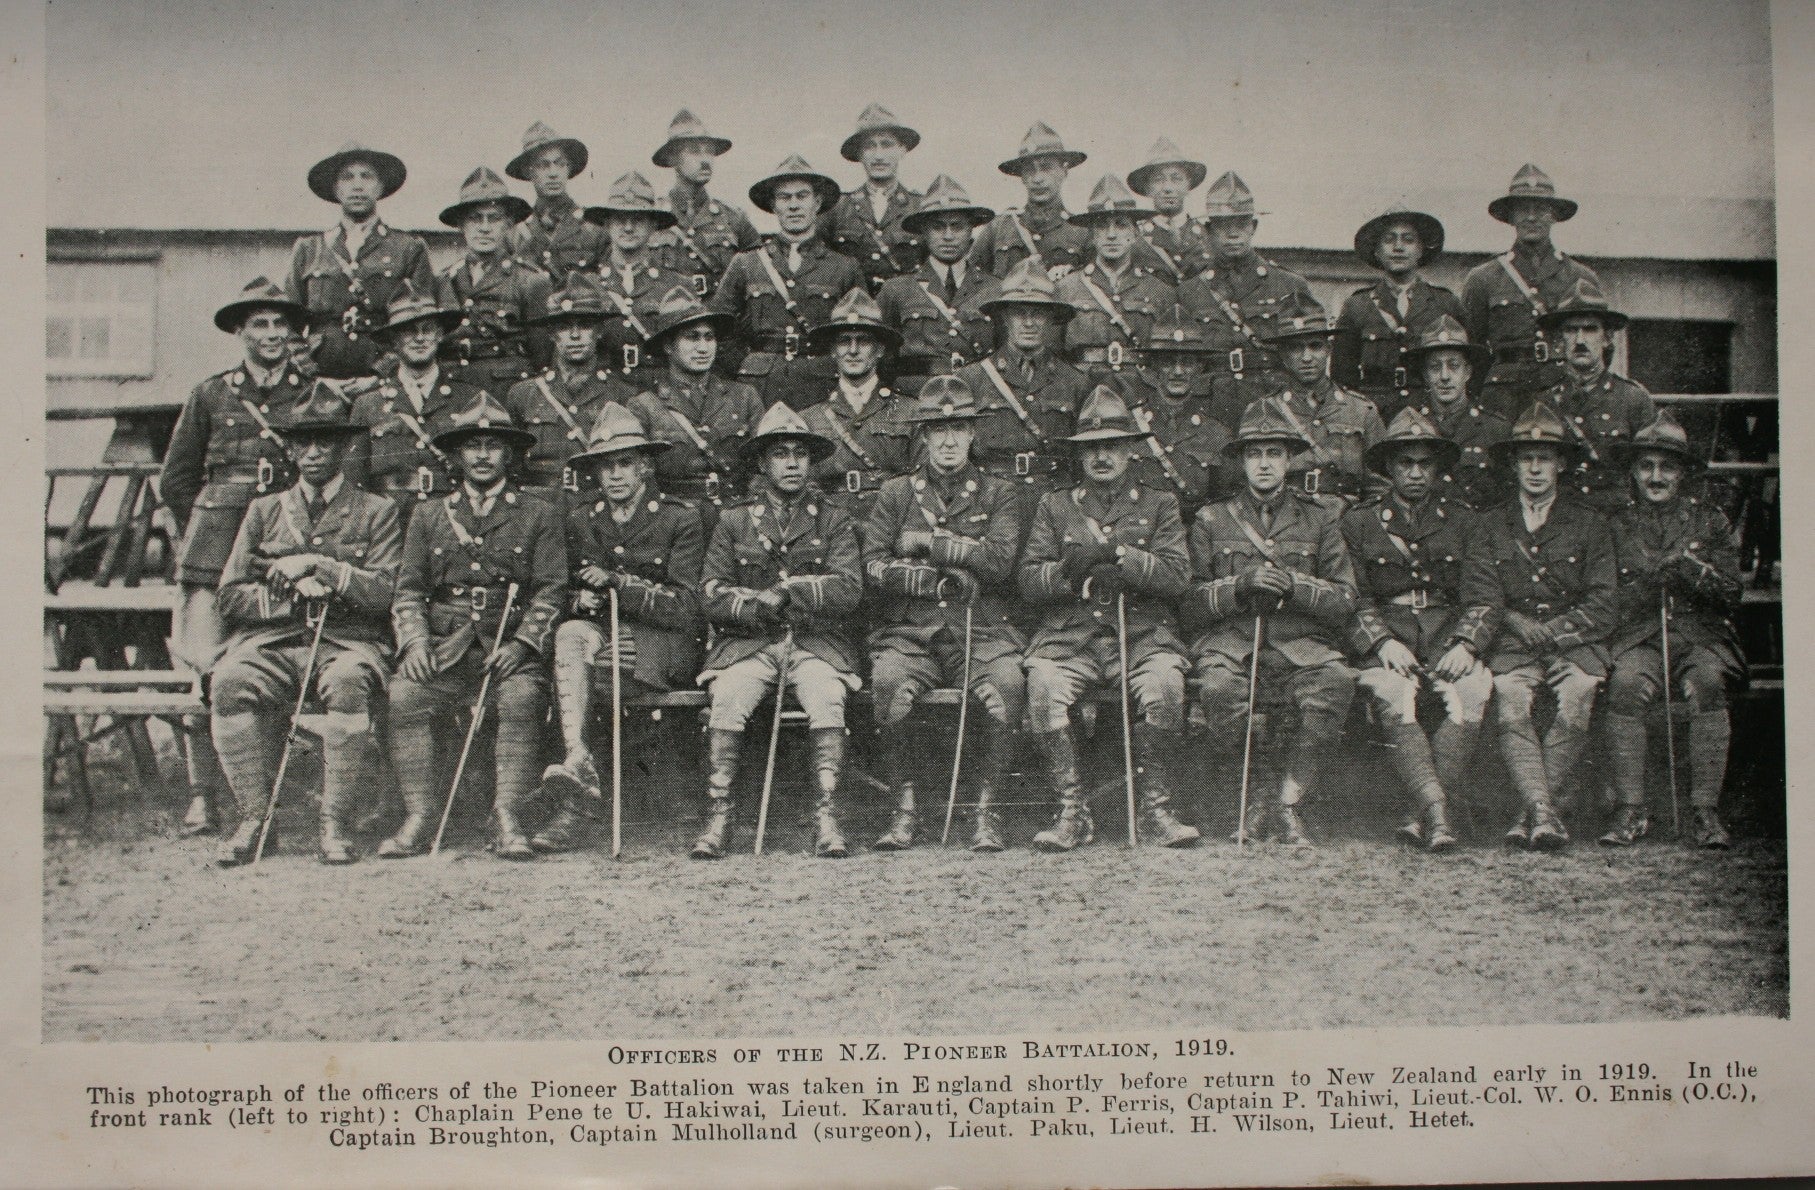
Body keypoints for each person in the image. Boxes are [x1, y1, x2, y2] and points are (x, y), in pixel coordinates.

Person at [208, 384, 401, 865]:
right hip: (273, 641)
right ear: (290, 450)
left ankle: (334, 823)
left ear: (345, 448)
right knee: (230, 681)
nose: (313, 453)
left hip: (346, 641)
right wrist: (288, 594)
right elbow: (229, 596)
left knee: (349, 682)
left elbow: (385, 593)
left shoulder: (378, 511)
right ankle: (256, 820)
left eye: (326, 442)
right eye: (303, 443)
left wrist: (324, 568)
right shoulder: (265, 510)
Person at [381, 394, 567, 860]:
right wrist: (416, 642)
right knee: (406, 696)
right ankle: (420, 815)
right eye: (472, 446)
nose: (482, 455)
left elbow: (551, 589)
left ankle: (508, 815)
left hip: (506, 644)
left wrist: (524, 645)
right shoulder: (428, 514)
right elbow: (408, 590)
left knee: (522, 698)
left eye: (493, 445)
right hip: (445, 646)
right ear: (457, 455)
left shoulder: (538, 512)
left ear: (509, 454)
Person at [159, 277, 313, 835]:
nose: (271, 334)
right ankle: (203, 795)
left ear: (293, 331)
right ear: (240, 331)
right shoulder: (210, 394)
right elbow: (176, 480)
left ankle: (265, 792)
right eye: (259, 324)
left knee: (267, 662)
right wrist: (205, 530)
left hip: (281, 544)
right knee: (202, 667)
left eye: (279, 324)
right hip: (214, 546)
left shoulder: (312, 393)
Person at [1018, 386, 1199, 852]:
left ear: (1129, 451)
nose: (1102, 457)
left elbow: (1179, 577)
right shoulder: (1054, 506)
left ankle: (1156, 809)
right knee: (1042, 685)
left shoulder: (1158, 505)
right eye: (1092, 448)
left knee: (1165, 686)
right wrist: (1066, 571)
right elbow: (1028, 580)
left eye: (1112, 446)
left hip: (1140, 634)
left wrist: (1123, 557)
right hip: (1071, 637)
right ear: (1080, 455)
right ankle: (1072, 811)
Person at [861, 377, 1027, 852]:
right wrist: (935, 578)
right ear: (924, 435)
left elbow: (1000, 560)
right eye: (938, 429)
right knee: (889, 683)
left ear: (973, 434)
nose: (949, 440)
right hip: (911, 631)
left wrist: (929, 545)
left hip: (981, 629)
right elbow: (872, 565)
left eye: (958, 428)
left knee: (1009, 684)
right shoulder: (896, 494)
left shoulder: (999, 493)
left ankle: (986, 811)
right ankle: (904, 810)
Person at [1185, 397, 1358, 847]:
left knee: (1336, 680)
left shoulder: (1320, 519)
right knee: (1220, 690)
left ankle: (1290, 799)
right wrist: (1238, 586)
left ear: (1288, 459)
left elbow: (1345, 598)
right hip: (1233, 640)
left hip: (1300, 641)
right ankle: (1258, 792)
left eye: (1274, 453)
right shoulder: (1211, 519)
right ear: (1242, 461)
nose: (1264, 464)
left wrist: (1296, 586)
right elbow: (1188, 603)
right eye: (1254, 454)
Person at [534, 404, 706, 853]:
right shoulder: (582, 519)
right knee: (569, 638)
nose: (614, 476)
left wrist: (618, 586)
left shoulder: (679, 518)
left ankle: (578, 809)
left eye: (625, 463)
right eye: (605, 466)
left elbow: (687, 607)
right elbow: (568, 589)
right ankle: (577, 760)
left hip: (664, 643)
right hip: (604, 635)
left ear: (646, 466)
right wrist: (582, 599)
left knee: (597, 675)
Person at [694, 405, 863, 859]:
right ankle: (720, 814)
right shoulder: (733, 521)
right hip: (749, 644)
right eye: (780, 454)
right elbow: (710, 592)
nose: (792, 463)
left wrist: (789, 591)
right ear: (763, 463)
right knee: (728, 695)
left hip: (814, 643)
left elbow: (849, 587)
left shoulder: (834, 519)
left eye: (801, 454)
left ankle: (827, 814)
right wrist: (757, 606)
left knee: (827, 694)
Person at [1448, 402, 1616, 851]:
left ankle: (1532, 811)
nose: (1536, 468)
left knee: (1580, 692)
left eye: (1545, 457)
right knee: (1510, 697)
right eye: (1526, 458)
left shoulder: (1591, 524)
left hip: (1575, 644)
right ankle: (1544, 810)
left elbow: (1604, 603)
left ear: (1561, 463)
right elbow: (1480, 593)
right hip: (1513, 644)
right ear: (1514, 464)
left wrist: (1556, 630)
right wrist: (1520, 623)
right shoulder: (1489, 525)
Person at [1341, 408, 1492, 851]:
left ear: (1438, 470)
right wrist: (1382, 641)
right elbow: (1352, 595)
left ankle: (1420, 812)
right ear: (1388, 468)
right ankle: (1439, 815)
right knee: (1395, 694)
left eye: (1425, 464)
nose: (1415, 473)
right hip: (1389, 634)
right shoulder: (1358, 522)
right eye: (1405, 464)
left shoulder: (1465, 521)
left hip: (1447, 631)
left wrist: (1466, 643)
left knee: (1472, 693)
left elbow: (1483, 595)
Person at [1602, 412, 1744, 849]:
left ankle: (1705, 811)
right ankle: (1631, 809)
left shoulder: (1710, 521)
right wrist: (1646, 584)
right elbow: (1605, 597)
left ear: (1682, 474)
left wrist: (1691, 571)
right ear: (1634, 472)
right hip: (1640, 635)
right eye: (1646, 466)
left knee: (1706, 682)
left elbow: (1731, 593)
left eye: (1667, 467)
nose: (1656, 476)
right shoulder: (1615, 524)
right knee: (1625, 684)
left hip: (1699, 635)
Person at [711, 155, 865, 411]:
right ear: (773, 205)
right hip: (759, 387)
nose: (794, 205)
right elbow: (719, 327)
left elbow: (859, 334)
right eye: (784, 197)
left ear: (817, 202)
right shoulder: (746, 263)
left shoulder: (844, 267)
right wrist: (746, 366)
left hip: (821, 385)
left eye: (802, 196)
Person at [955, 260, 1091, 528]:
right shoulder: (971, 379)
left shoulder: (1075, 382)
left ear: (1052, 319)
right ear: (1004, 317)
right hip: (990, 503)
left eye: (1038, 313)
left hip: (1053, 505)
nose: (1028, 323)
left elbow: (1081, 461)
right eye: (1019, 313)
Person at [1460, 164, 1603, 419]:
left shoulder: (1581, 277)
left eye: (1541, 209)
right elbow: (1473, 350)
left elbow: (1599, 347)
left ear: (1554, 216)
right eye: (1523, 209)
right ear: (1511, 217)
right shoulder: (1483, 279)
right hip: (1503, 397)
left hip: (1563, 389)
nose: (1532, 217)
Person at [1176, 172, 1315, 428]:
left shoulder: (1289, 285)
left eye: (1240, 225)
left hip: (1272, 401)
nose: (1233, 235)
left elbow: (1309, 354)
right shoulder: (1190, 291)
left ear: (1253, 227)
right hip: (1211, 407)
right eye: (1223, 226)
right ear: (1208, 231)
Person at [285, 142, 434, 379]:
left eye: (367, 177)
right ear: (335, 188)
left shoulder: (409, 248)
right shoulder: (309, 249)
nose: (357, 185)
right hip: (321, 377)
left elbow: (420, 323)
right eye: (347, 177)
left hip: (384, 377)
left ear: (380, 187)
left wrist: (380, 375)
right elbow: (288, 325)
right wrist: (311, 374)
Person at [626, 287, 767, 530]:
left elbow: (763, 467)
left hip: (738, 520)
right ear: (668, 346)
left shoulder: (744, 397)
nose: (703, 348)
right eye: (692, 337)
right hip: (674, 523)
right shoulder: (644, 406)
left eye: (709, 337)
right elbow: (641, 481)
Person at [344, 284, 481, 528]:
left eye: (427, 330)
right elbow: (355, 481)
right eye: (409, 331)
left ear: (439, 336)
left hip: (451, 521)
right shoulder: (368, 405)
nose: (419, 338)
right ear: (394, 341)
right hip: (389, 522)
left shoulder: (468, 398)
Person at [504, 271, 635, 504]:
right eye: (565, 327)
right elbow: (511, 469)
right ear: (553, 334)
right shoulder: (523, 395)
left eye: (585, 326)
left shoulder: (623, 396)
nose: (575, 335)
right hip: (539, 509)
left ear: (599, 332)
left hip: (598, 509)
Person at [1333, 204, 1465, 422]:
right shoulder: (1357, 306)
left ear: (1421, 250)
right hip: (1375, 415)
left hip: (1431, 414)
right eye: (1389, 240)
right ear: (1377, 251)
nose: (1398, 247)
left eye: (1408, 239)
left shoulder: (1445, 303)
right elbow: (1342, 376)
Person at [1535, 279, 1657, 513]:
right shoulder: (1545, 402)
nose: (1580, 340)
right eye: (1571, 330)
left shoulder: (1633, 400)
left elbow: (1649, 472)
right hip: (1562, 522)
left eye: (1590, 329)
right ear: (1561, 340)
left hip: (1616, 521)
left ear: (1607, 338)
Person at [876, 174, 1002, 396]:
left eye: (957, 226)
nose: (948, 236)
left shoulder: (995, 290)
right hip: (915, 399)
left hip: (977, 397)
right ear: (923, 232)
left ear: (971, 230)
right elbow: (880, 360)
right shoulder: (896, 291)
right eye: (937, 227)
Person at [1110, 305, 1235, 523]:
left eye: (1186, 362)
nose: (1178, 371)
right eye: (1168, 362)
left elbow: (1226, 503)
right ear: (1154, 366)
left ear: (1199, 367)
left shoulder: (1217, 434)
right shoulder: (1128, 428)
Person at [802, 287, 913, 526]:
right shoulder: (809, 420)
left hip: (891, 527)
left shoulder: (910, 412)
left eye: (863, 341)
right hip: (831, 531)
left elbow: (924, 484)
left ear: (880, 350)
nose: (853, 350)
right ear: (833, 350)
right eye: (844, 341)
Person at [1261, 296, 1386, 505]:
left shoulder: (1361, 411)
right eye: (1295, 348)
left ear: (1329, 349)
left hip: (1344, 523)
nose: (1307, 357)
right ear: (1282, 354)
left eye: (1315, 346)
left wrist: (1350, 511)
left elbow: (1381, 487)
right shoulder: (1264, 410)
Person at [434, 167, 551, 391]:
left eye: (494, 219)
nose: (484, 228)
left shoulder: (530, 282)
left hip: (507, 390)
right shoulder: (442, 280)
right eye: (475, 219)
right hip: (453, 390)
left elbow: (542, 360)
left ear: (508, 224)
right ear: (461, 224)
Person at [1058, 175, 1177, 385]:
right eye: (1103, 226)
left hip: (1141, 391)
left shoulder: (1160, 291)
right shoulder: (1066, 289)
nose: (1111, 235)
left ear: (1135, 233)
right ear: (1092, 236)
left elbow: (1168, 361)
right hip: (1084, 390)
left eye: (1121, 225)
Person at [583, 171, 693, 385]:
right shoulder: (589, 285)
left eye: (638, 219)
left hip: (661, 395)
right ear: (606, 223)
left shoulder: (678, 285)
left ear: (653, 225)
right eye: (620, 219)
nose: (628, 227)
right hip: (604, 394)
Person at [648, 108, 760, 300]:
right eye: (694, 151)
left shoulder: (734, 218)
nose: (705, 160)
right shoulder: (651, 217)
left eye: (709, 151)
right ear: (672, 158)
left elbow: (759, 277)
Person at [1402, 315, 1510, 510]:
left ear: (1468, 372)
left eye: (1454, 366)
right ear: (1425, 375)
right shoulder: (1409, 426)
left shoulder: (1495, 429)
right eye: (1435, 367)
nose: (1444, 376)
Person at [820, 103, 925, 292]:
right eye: (869, 146)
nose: (878, 155)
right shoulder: (837, 209)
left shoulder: (921, 207)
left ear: (902, 150)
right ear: (859, 154)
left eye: (886, 145)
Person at [967, 122, 1091, 280]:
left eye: (1046, 168)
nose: (1037, 178)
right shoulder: (998, 229)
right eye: (1029, 170)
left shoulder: (1082, 231)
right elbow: (972, 283)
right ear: (1022, 177)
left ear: (1064, 172)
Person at [505, 121, 609, 277]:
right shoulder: (514, 236)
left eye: (560, 164)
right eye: (542, 165)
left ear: (569, 168)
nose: (553, 173)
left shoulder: (594, 228)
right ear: (528, 171)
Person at [1124, 137, 1213, 284]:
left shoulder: (1207, 237)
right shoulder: (1135, 238)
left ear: (1188, 186)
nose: (1168, 188)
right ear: (1147, 188)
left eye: (1176, 179)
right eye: (1158, 180)